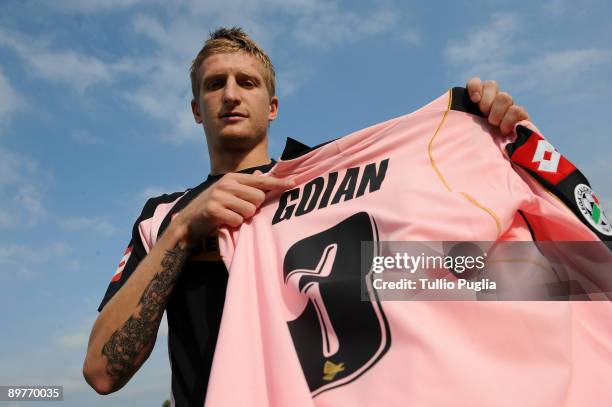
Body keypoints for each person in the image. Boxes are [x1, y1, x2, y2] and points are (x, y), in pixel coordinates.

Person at [82, 27, 531, 404]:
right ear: (197, 110)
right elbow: (103, 372)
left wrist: (482, 137)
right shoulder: (162, 217)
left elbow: (437, 267)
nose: (231, 95)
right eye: (215, 84)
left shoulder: (337, 184)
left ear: (272, 107)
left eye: (248, 82)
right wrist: (182, 232)